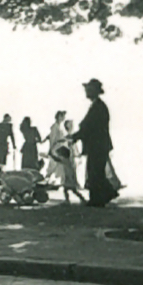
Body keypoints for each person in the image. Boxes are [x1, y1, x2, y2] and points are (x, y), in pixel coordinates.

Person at [68, 78, 118, 207]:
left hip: (98, 145)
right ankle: (100, 197)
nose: (86, 92)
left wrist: (75, 137)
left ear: (94, 91)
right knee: (95, 171)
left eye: (88, 89)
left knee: (95, 172)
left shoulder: (98, 107)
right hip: (98, 145)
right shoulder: (97, 106)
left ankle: (101, 197)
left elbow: (89, 127)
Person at [43, 110, 67, 182]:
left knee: (59, 166)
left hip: (60, 148)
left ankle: (61, 181)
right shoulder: (55, 127)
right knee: (53, 165)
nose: (63, 118)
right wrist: (50, 150)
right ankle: (46, 180)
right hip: (56, 148)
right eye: (62, 116)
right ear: (59, 117)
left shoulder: (60, 127)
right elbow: (52, 138)